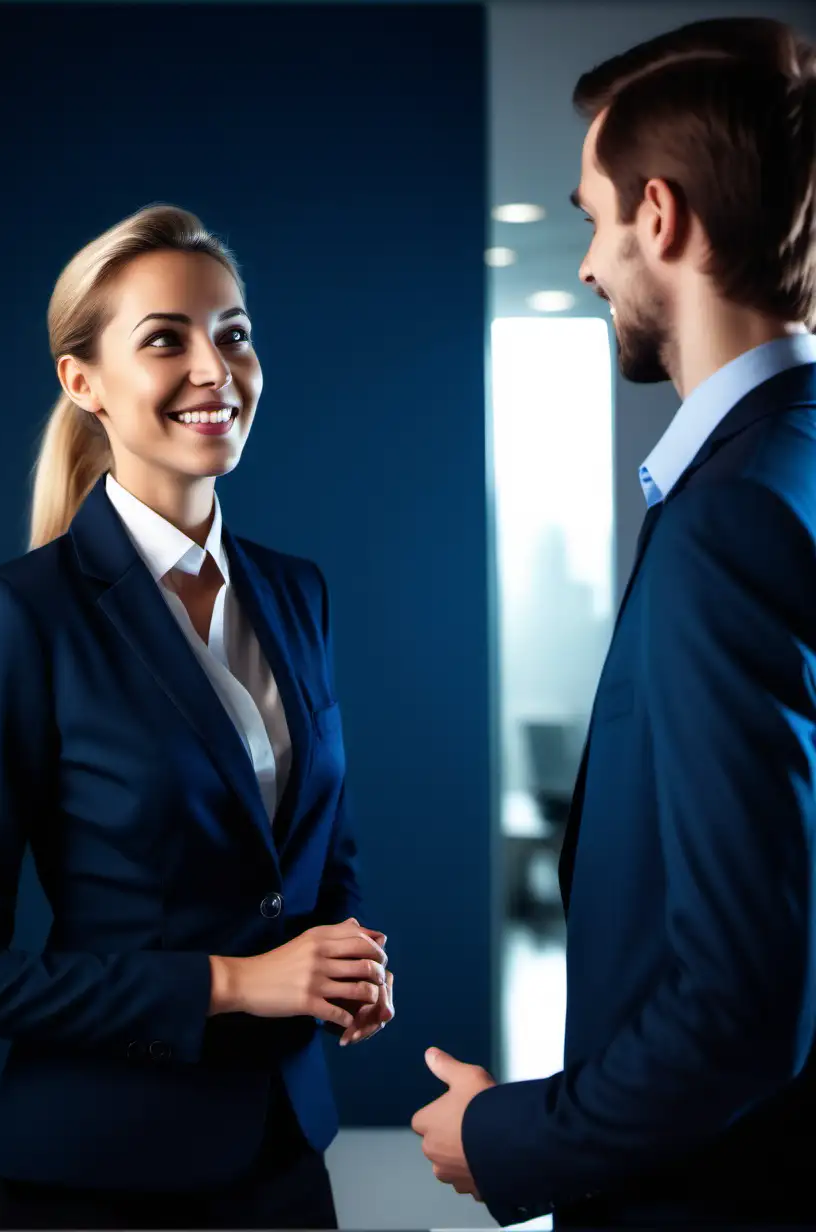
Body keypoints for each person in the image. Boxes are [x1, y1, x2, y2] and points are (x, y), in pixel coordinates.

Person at [0, 204, 394, 1231]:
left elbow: (312, 853)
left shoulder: (297, 593)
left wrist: (343, 959)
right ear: (83, 383)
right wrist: (232, 982)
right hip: (100, 1177)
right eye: (166, 337)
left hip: (285, 1155)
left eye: (234, 332)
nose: (215, 367)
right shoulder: (18, 615)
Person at [412, 16, 816, 1228]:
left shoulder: (727, 525)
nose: (587, 264)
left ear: (659, 215)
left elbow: (741, 1007)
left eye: (591, 218)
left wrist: (508, 1135)